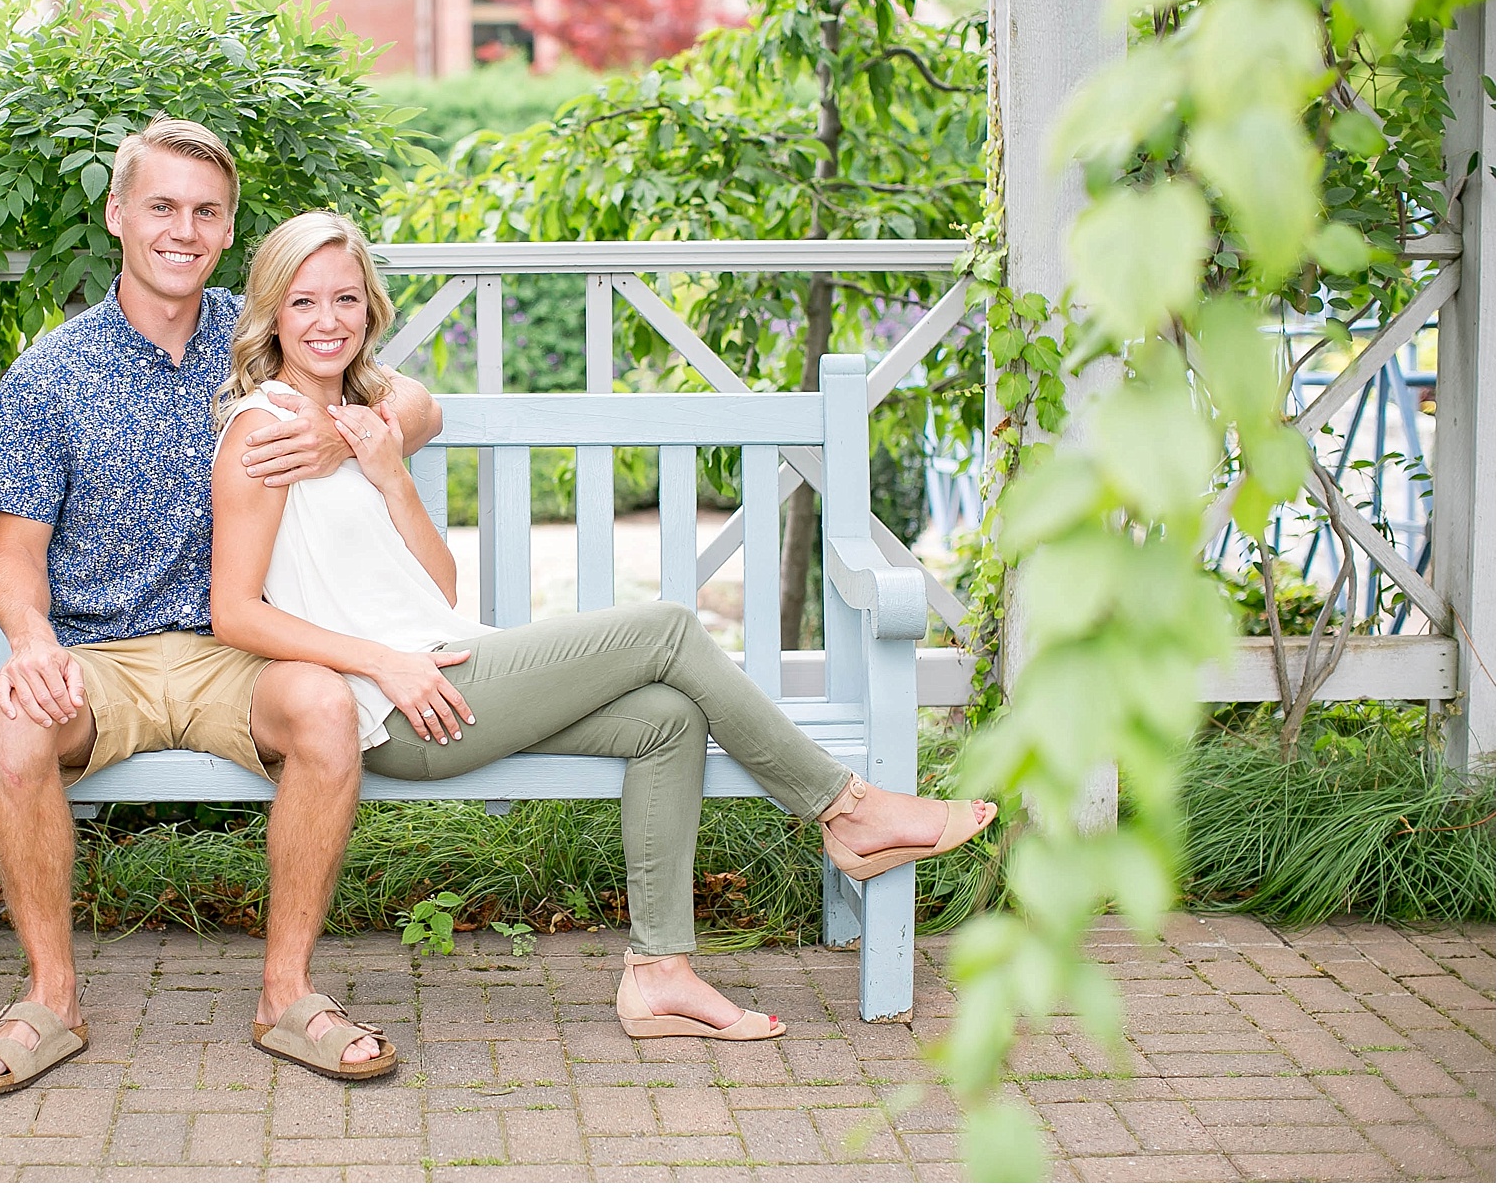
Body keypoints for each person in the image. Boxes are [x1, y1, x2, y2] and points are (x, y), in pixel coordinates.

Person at [210, 211, 996, 1060]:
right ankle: (848, 810)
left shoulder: (364, 420)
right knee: (664, 628)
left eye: (347, 299)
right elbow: (236, 612)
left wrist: (389, 469)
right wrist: (384, 664)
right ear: (272, 316)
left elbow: (438, 587)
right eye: (304, 303)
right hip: (393, 705)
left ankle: (661, 972)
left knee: (667, 717)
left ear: (371, 308)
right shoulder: (264, 429)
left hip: (444, 665)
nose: (329, 321)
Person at [0, 122, 441, 1094]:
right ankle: (50, 1000)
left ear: (225, 232)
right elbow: (13, 558)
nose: (182, 228)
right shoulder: (51, 373)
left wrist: (354, 439)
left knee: (326, 708)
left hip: (238, 649)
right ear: (117, 215)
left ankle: (287, 996)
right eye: (162, 206)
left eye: (204, 211)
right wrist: (32, 639)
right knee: (13, 717)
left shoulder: (258, 340)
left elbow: (418, 400)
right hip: (102, 659)